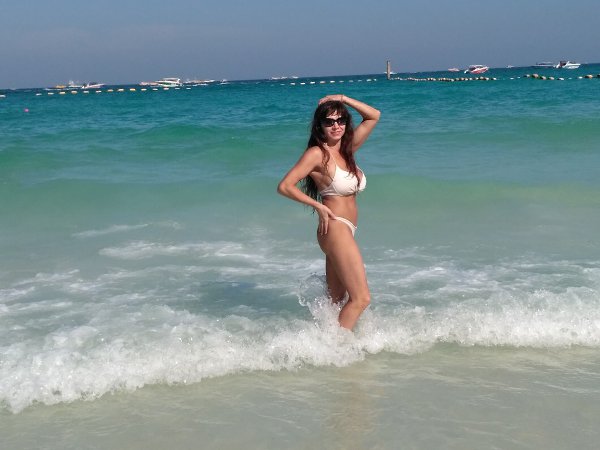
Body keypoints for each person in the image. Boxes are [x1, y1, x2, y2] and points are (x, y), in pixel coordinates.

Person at [277, 94, 380, 330]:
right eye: (329, 121)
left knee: (336, 300)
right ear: (319, 126)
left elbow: (374, 116)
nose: (336, 126)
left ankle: (325, 344)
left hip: (345, 229)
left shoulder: (347, 149)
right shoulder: (317, 154)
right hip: (335, 227)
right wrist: (318, 205)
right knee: (361, 298)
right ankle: (340, 346)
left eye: (341, 120)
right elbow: (285, 186)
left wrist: (342, 98)